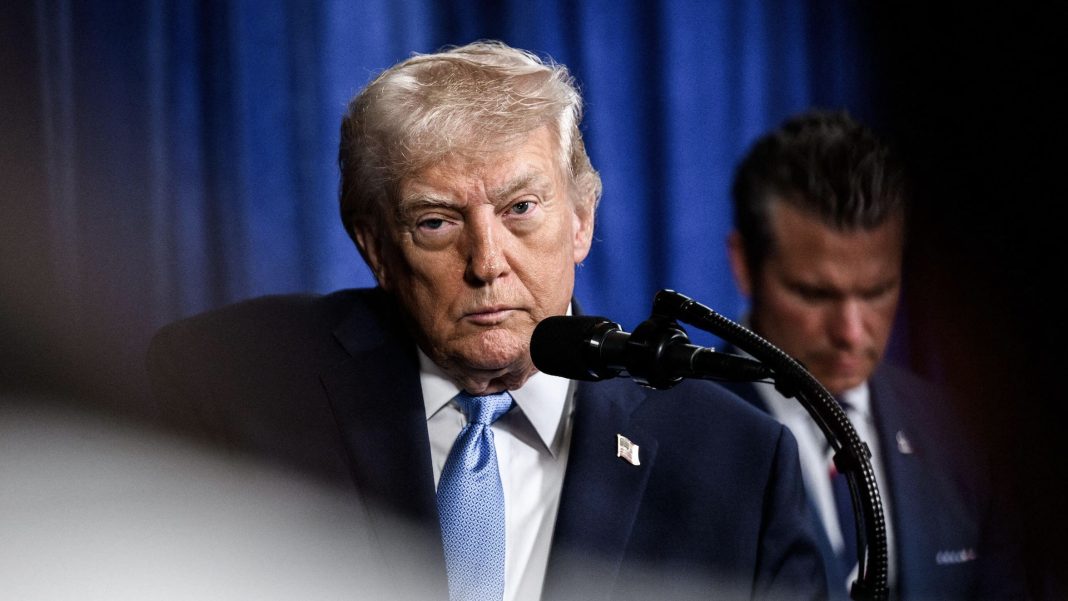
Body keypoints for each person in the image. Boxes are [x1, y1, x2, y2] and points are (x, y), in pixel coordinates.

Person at [148, 41, 826, 601]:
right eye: (437, 222)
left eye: (521, 208)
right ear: (375, 247)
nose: (487, 262)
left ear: (583, 218)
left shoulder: (735, 464)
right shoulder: (235, 387)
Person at [721, 109, 1029, 600]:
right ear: (744, 265)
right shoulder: (674, 435)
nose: (851, 330)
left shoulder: (964, 434)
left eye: (878, 290)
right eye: (814, 294)